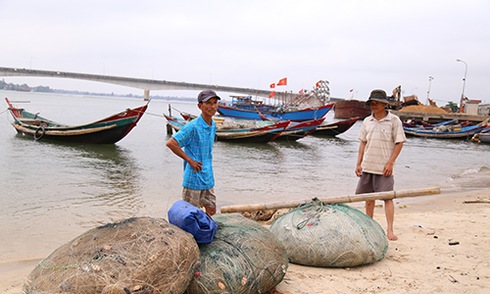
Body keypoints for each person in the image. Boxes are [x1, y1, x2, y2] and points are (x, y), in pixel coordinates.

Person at [355, 89, 406, 241]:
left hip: (384, 168)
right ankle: (369, 227)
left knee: (387, 198)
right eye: (371, 103)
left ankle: (390, 230)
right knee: (369, 199)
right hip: (367, 166)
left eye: (376, 103)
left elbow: (399, 143)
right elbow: (363, 143)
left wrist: (390, 163)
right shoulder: (366, 121)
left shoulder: (394, 121)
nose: (374, 105)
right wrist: (358, 163)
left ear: (384, 104)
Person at [166, 89, 221, 216]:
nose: (212, 106)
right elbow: (171, 143)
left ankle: (206, 233)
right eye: (208, 103)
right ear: (200, 106)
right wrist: (189, 160)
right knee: (191, 215)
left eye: (214, 103)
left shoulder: (212, 125)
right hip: (194, 178)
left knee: (211, 210)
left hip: (208, 177)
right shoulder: (192, 127)